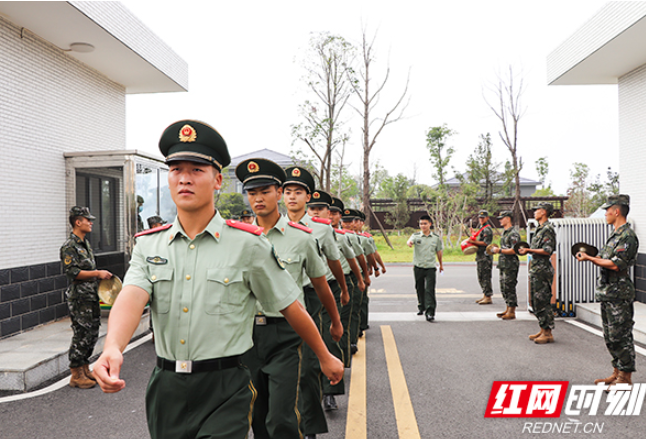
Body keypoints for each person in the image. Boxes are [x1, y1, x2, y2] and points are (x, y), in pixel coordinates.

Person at [92, 120, 343, 439]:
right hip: (166, 386)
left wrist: (324, 355)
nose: (184, 178)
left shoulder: (248, 245)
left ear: (217, 180)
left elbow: (290, 305)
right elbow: (131, 297)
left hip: (226, 386)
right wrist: (113, 347)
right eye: (176, 169)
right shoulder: (149, 245)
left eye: (197, 169)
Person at [236, 158, 343, 439]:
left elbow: (321, 286)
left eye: (265, 191)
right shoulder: (238, 239)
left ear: (278, 193)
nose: (258, 199)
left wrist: (334, 322)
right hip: (246, 335)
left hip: (286, 333)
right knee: (257, 415)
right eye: (252, 193)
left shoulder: (302, 238)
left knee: (282, 416)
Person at [282, 167, 349, 436]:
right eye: (288, 192)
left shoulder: (320, 230)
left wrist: (343, 290)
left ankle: (309, 425)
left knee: (309, 364)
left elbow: (333, 264)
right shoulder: (263, 227)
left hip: (311, 297)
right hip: (276, 302)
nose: (292, 197)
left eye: (298, 192)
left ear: (307, 197)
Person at [576, 195, 639, 386]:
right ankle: (616, 371)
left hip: (619, 294)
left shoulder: (627, 236)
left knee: (621, 335)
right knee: (611, 336)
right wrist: (590, 255)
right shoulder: (614, 235)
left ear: (616, 211)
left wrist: (589, 259)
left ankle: (625, 377)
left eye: (607, 210)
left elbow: (615, 264)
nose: (605, 214)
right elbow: (603, 256)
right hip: (608, 292)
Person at [60, 206, 113, 389]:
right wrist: (97, 273)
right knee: (81, 333)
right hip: (80, 298)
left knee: (92, 333)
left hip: (91, 295)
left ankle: (85, 368)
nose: (91, 223)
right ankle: (76, 374)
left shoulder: (85, 244)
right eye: (87, 220)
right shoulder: (69, 247)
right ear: (77, 222)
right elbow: (72, 273)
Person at [518, 202, 557, 344]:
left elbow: (547, 250)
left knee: (543, 300)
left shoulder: (547, 229)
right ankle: (542, 329)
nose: (534, 212)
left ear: (544, 212)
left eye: (537, 210)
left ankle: (548, 333)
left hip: (542, 269)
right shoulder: (540, 229)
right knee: (536, 301)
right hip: (536, 268)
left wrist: (529, 251)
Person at [342, 209, 372, 355]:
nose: (348, 224)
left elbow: (362, 257)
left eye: (350, 221)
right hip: (330, 278)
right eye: (345, 221)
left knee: (353, 308)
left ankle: (352, 339)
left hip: (351, 275)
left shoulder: (351, 238)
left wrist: (366, 275)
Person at [407, 215, 444, 322]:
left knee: (430, 290)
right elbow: (410, 241)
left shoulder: (436, 238)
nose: (423, 226)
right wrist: (409, 243)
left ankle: (430, 312)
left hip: (430, 267)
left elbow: (439, 251)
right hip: (418, 266)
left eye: (425, 223)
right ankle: (421, 306)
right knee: (419, 287)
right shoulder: (416, 236)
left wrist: (441, 264)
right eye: (421, 224)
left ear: (430, 224)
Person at [489, 211, 521, 320]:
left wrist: (499, 250)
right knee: (504, 287)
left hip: (510, 264)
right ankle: (508, 308)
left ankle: (512, 311)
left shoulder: (513, 233)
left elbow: (515, 250)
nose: (500, 220)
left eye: (502, 218)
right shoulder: (505, 232)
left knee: (510, 286)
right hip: (503, 264)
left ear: (508, 219)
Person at [468, 210, 494, 305]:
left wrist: (473, 242)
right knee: (481, 277)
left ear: (487, 218)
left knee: (486, 277)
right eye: (480, 218)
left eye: (483, 218)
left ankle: (488, 296)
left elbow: (486, 243)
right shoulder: (481, 228)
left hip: (485, 257)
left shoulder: (487, 229)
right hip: (480, 256)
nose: (481, 219)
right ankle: (485, 295)